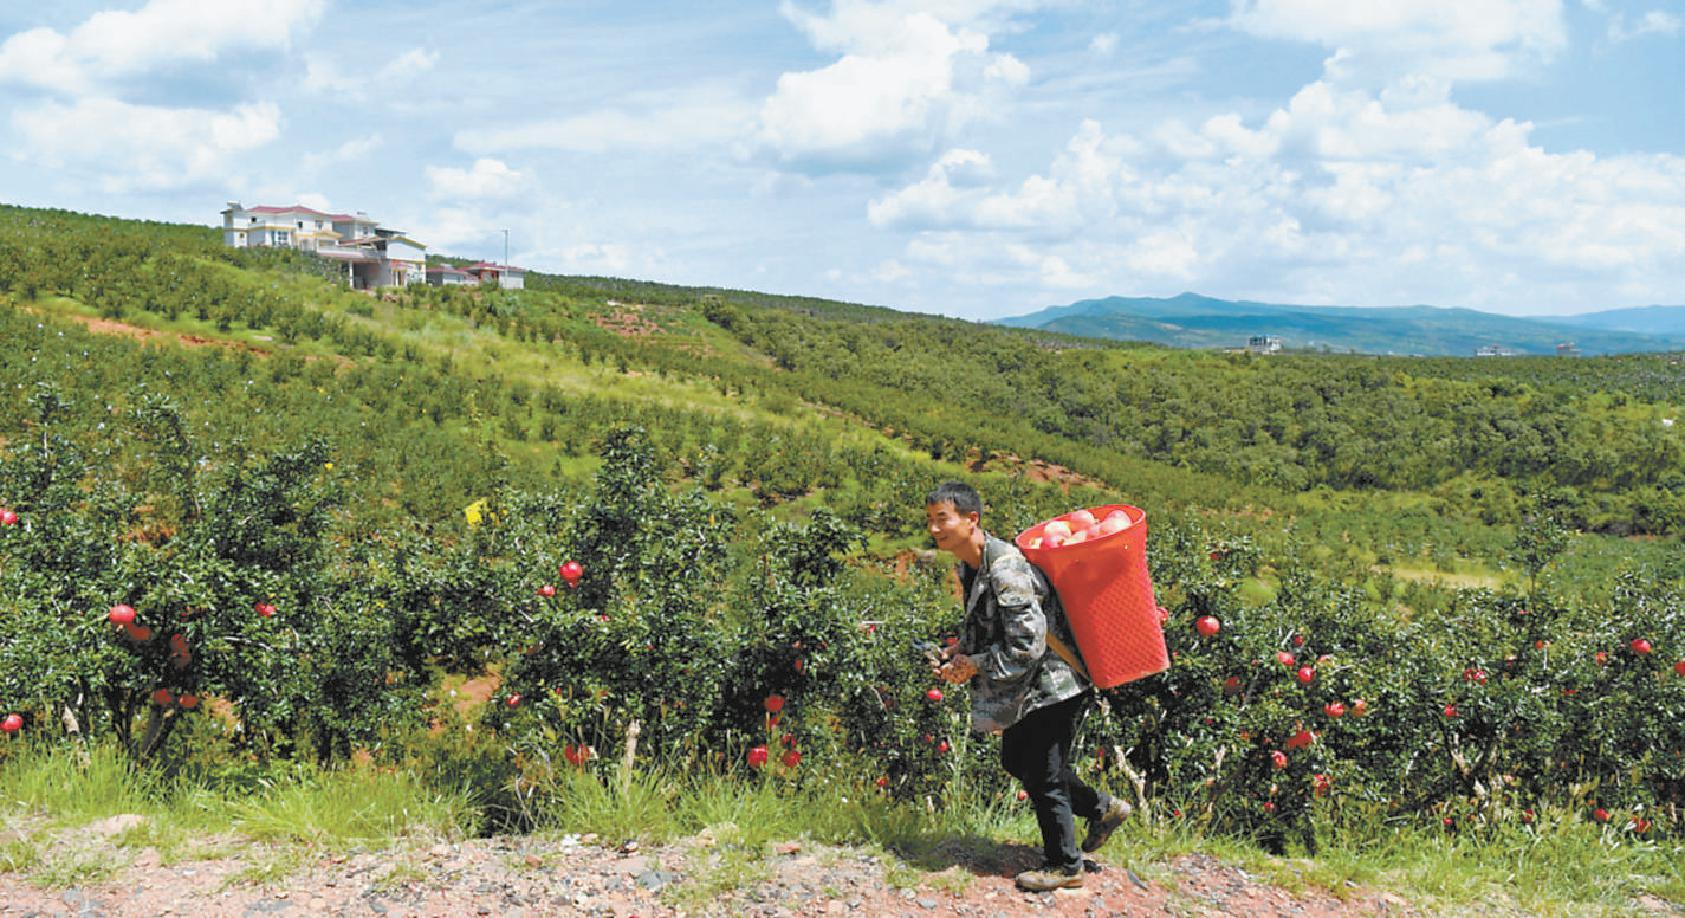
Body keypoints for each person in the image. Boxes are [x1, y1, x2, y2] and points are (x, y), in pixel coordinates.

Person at [924, 481, 1131, 892]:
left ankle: (1065, 866)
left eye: (942, 519)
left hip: (1054, 682)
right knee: (1017, 760)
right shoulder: (970, 566)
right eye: (930, 520)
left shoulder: (1005, 569)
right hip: (1027, 685)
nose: (933, 528)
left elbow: (1027, 644)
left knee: (1044, 773)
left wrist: (975, 666)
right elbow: (989, 626)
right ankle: (1102, 808)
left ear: (971, 519)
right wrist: (958, 651)